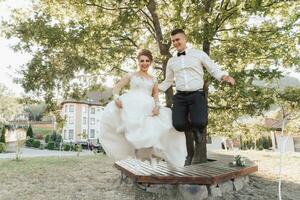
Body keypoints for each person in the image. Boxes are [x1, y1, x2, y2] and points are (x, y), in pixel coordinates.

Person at [159, 29, 235, 166]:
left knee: (200, 122)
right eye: (173, 41)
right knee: (178, 125)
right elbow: (168, 81)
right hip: (180, 96)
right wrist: (154, 89)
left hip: (196, 94)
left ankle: (196, 130)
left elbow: (213, 69)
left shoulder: (198, 54)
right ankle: (192, 129)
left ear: (185, 39)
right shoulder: (171, 61)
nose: (176, 42)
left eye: (178, 39)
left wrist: (224, 77)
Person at [99, 49, 187, 167]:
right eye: (142, 61)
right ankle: (136, 163)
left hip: (147, 106)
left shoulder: (153, 79)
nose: (144, 63)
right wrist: (116, 99)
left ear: (150, 62)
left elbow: (155, 96)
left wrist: (157, 107)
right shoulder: (131, 75)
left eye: (147, 61)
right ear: (138, 62)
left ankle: (150, 161)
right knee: (132, 134)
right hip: (131, 104)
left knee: (162, 128)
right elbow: (116, 88)